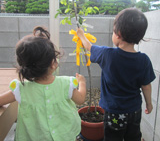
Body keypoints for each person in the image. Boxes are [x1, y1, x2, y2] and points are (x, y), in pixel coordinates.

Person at [77, 8, 155, 141]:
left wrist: (81, 35)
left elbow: (89, 46)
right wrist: (149, 103)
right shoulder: (144, 60)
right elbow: (146, 86)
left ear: (118, 34)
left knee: (113, 137)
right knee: (134, 137)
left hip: (114, 111)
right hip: (134, 110)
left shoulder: (107, 55)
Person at [0, 27, 86, 141]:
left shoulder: (21, 89)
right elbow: (80, 99)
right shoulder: (66, 84)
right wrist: (82, 82)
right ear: (53, 63)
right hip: (63, 135)